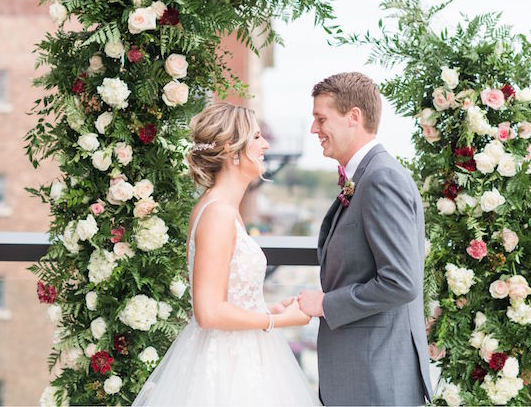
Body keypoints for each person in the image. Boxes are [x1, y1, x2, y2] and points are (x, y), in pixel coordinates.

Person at [132, 102, 319, 406]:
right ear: (233, 148)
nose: (266, 144)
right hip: (226, 368)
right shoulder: (218, 212)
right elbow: (208, 312)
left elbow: (227, 294)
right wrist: (280, 322)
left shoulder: (223, 208)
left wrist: (268, 308)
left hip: (240, 353)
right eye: (257, 137)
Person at [297, 72, 432, 405]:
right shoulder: (365, 176)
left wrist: (326, 304)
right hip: (364, 375)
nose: (314, 129)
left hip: (377, 378)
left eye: (321, 118)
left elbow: (401, 282)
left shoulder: (381, 178)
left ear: (353, 117)